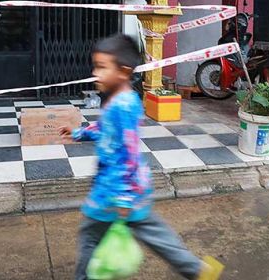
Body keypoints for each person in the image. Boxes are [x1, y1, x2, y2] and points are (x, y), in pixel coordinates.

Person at [59, 34, 224, 280]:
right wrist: (80, 133)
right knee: (157, 235)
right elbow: (108, 131)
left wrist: (123, 198)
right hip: (134, 189)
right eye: (95, 66)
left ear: (124, 72)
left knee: (90, 238)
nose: (96, 73)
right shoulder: (123, 99)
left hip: (113, 193)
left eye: (102, 67)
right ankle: (198, 270)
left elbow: (128, 153)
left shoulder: (121, 106)